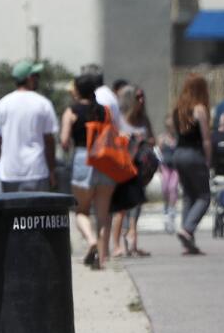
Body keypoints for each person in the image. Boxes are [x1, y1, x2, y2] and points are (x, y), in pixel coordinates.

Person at [60, 74, 115, 269]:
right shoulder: (104, 111)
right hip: (105, 161)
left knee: (81, 211)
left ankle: (91, 240)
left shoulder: (71, 111)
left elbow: (64, 141)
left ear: (77, 90)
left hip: (83, 159)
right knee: (102, 215)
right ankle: (100, 259)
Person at [0, 60, 59, 193]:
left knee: (9, 213)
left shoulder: (3, 104)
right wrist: (52, 170)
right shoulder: (43, 104)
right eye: (36, 76)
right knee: (36, 213)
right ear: (29, 78)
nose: (38, 80)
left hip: (8, 172)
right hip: (36, 171)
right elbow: (49, 141)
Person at [172, 74, 212, 255]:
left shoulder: (178, 109)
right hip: (194, 154)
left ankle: (188, 241)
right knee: (204, 197)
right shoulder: (199, 109)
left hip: (178, 153)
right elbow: (206, 139)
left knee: (189, 196)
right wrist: (208, 159)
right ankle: (187, 229)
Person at [111, 85, 153, 258]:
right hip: (123, 167)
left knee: (136, 206)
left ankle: (132, 241)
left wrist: (145, 142)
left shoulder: (144, 120)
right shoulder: (120, 119)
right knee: (121, 208)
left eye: (143, 96)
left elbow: (153, 140)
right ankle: (116, 246)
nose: (141, 100)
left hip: (139, 169)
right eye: (138, 97)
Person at [156, 115, 180, 233]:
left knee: (173, 187)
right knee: (165, 187)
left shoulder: (178, 138)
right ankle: (166, 208)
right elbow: (158, 153)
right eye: (169, 126)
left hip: (175, 167)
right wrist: (158, 166)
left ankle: (171, 211)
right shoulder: (162, 138)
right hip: (165, 167)